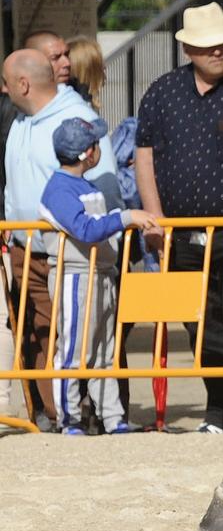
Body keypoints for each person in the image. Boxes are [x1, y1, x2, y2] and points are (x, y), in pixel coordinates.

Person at [133, 2, 223, 433]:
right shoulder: (161, 92)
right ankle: (218, 410)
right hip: (179, 234)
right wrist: (154, 219)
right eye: (206, 45)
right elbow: (144, 157)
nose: (217, 51)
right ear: (188, 51)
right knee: (198, 323)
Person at [40, 117, 159, 434]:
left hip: (101, 274)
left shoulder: (84, 185)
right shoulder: (59, 189)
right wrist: (126, 217)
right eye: (94, 145)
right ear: (85, 153)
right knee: (73, 351)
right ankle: (69, 420)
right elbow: (83, 229)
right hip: (75, 278)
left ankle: (113, 417)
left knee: (105, 353)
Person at [3, 46, 97, 428]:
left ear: (23, 84)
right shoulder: (21, 122)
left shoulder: (77, 119)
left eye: (7, 84)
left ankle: (90, 413)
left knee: (82, 337)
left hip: (70, 253)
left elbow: (100, 190)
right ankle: (55, 415)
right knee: (41, 336)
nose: (4, 91)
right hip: (26, 251)